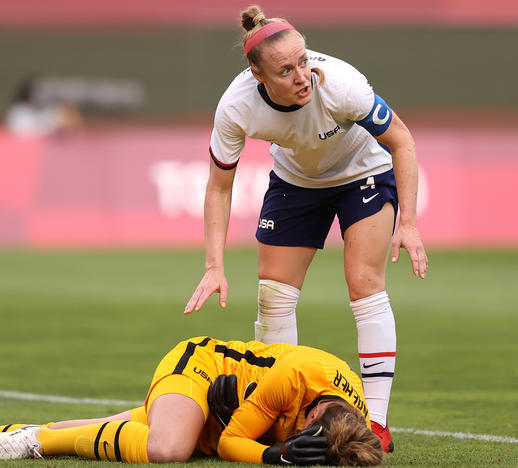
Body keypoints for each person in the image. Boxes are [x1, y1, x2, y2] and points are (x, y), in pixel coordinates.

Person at [184, 5, 429, 452]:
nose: (302, 76)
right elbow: (220, 187)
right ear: (258, 76)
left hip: (363, 172)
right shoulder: (236, 107)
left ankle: (375, 423)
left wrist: (408, 222)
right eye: (286, 69)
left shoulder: (340, 84)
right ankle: (280, 417)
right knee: (273, 298)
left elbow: (401, 140)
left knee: (365, 284)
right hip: (296, 181)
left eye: (303, 61)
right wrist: (213, 266)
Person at [0, 336, 383, 465]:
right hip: (199, 368)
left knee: (66, 427)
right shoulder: (293, 380)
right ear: (315, 411)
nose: (299, 438)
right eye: (303, 433)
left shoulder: (346, 417)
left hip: (224, 404)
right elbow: (230, 442)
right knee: (169, 451)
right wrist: (273, 454)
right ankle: (33, 442)